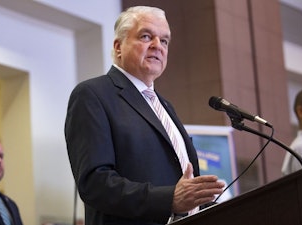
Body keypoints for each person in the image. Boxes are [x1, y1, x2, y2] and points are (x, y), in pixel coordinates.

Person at [65, 6, 225, 225]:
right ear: (118, 46)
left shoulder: (165, 106)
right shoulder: (93, 95)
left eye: (165, 41)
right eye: (146, 36)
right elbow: (95, 183)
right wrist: (169, 199)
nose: (157, 46)